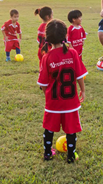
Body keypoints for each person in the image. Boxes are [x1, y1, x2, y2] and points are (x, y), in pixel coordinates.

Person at [37, 19, 87, 163]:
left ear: (48, 38)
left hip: (53, 102)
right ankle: (71, 155)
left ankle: (47, 154)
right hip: (71, 102)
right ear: (65, 36)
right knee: (71, 130)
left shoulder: (47, 58)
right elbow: (79, 76)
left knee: (49, 129)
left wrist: (47, 95)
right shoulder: (72, 53)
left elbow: (43, 84)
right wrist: (82, 91)